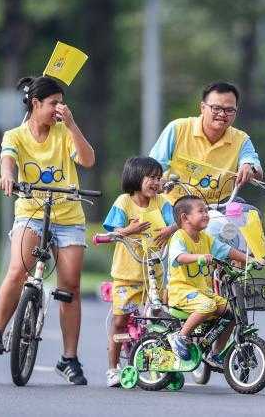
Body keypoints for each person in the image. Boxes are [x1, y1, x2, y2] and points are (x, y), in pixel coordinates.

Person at [0, 76, 95, 385]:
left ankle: (69, 359)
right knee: (18, 270)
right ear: (35, 104)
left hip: (68, 215)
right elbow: (8, 160)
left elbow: (87, 160)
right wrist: (7, 177)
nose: (59, 108)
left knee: (70, 286)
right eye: (54, 103)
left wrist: (71, 125)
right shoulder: (15, 135)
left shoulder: (64, 132)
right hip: (31, 211)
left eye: (62, 102)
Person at [102, 157, 177, 387]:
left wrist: (170, 230)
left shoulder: (162, 202)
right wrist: (128, 230)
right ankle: (113, 369)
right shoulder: (124, 201)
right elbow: (112, 231)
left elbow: (177, 223)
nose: (156, 182)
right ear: (136, 177)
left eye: (158, 177)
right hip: (127, 274)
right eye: (151, 177)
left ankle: (158, 364)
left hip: (154, 274)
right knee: (120, 320)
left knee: (157, 320)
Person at [166, 195, 257, 369]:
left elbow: (227, 250)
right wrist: (198, 257)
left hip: (201, 292)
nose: (207, 214)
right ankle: (180, 337)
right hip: (182, 292)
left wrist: (250, 260)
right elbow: (179, 257)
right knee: (208, 306)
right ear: (185, 218)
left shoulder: (206, 238)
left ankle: (215, 354)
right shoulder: (179, 237)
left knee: (232, 312)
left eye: (206, 210)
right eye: (201, 211)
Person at [149, 81, 263, 204]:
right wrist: (158, 183)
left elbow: (255, 167)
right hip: (174, 207)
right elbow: (153, 167)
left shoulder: (242, 139)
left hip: (220, 211)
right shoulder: (177, 129)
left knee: (252, 217)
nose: (222, 114)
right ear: (203, 107)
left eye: (229, 110)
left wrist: (249, 167)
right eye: (216, 108)